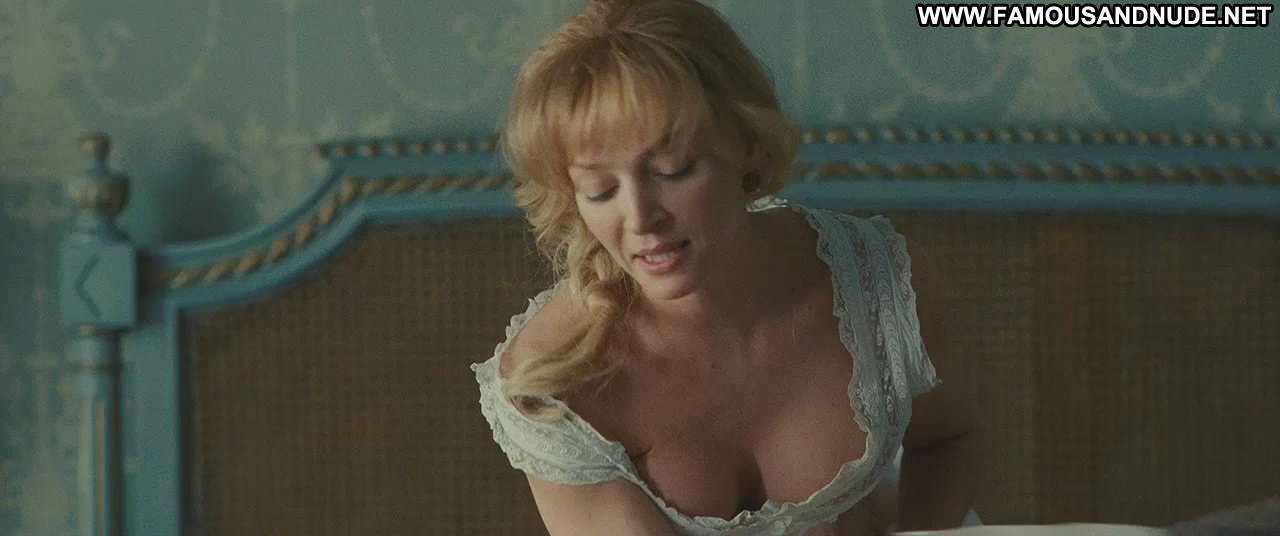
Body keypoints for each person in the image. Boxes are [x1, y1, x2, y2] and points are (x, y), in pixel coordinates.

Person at [471, 1, 981, 534]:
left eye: (673, 170)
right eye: (600, 190)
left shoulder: (880, 287)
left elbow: (946, 440)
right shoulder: (551, 385)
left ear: (748, 147)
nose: (640, 219)